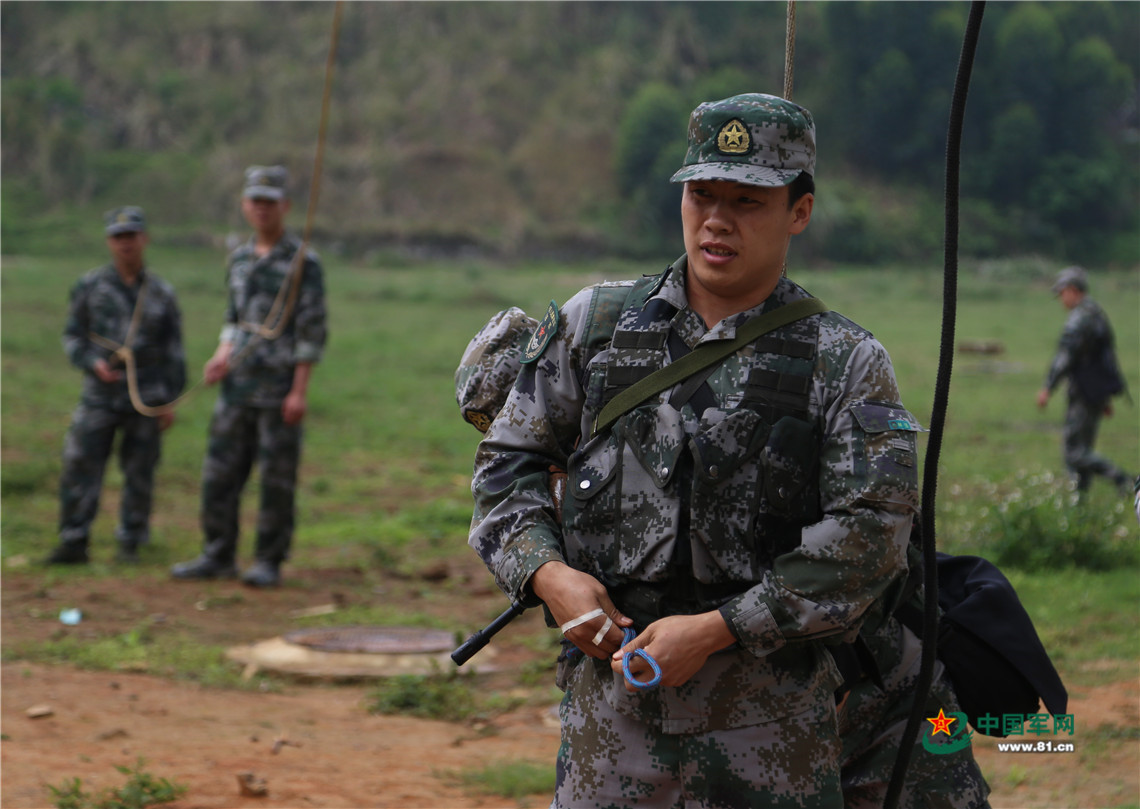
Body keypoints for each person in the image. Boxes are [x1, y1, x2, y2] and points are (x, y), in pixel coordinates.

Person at [468, 93, 937, 807]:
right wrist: (549, 575)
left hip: (771, 730)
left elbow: (873, 535)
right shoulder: (594, 328)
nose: (717, 220)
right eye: (702, 195)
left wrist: (720, 630)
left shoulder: (844, 359)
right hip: (610, 724)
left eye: (748, 201)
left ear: (800, 212)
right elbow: (508, 466)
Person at [171, 166, 327, 587]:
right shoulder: (239, 258)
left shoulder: (303, 262)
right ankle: (217, 553)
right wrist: (221, 354)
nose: (262, 209)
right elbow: (233, 317)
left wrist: (299, 391)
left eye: (270, 202)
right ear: (244, 205)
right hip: (236, 387)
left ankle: (268, 560)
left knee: (276, 480)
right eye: (255, 201)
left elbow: (311, 331)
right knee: (219, 474)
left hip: (278, 388)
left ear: (285, 206)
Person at [46, 206, 185, 565]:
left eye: (131, 236)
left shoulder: (161, 293)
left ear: (144, 239)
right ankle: (73, 540)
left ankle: (131, 543)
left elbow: (173, 350)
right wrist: (91, 363)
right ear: (109, 241)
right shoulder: (90, 286)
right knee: (80, 464)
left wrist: (170, 400)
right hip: (99, 395)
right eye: (118, 237)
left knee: (140, 471)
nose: (126, 243)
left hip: (146, 395)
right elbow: (73, 335)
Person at [1035, 266, 1131, 495]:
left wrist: (1048, 387)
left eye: (1062, 293)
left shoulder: (1079, 319)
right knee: (1084, 448)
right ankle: (1079, 499)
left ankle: (1123, 480)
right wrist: (1105, 396)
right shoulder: (1097, 313)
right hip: (1096, 392)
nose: (1061, 299)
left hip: (1083, 393)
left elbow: (1065, 357)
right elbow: (1105, 360)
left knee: (1074, 451)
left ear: (1072, 290)